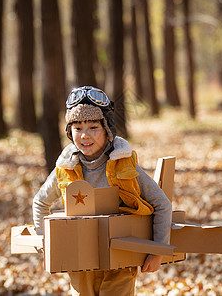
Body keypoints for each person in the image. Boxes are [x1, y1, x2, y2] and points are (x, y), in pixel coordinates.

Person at [32, 86, 172, 295]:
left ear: (107, 130)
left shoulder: (124, 164)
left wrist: (157, 252)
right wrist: (47, 243)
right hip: (80, 262)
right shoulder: (66, 167)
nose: (85, 135)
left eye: (93, 127)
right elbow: (40, 202)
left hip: (120, 261)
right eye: (77, 128)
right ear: (70, 132)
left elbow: (162, 204)